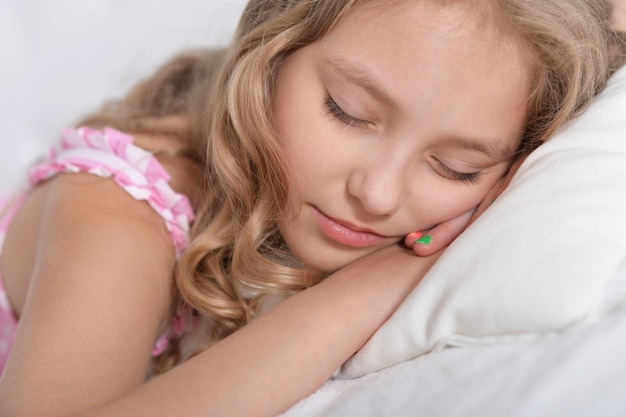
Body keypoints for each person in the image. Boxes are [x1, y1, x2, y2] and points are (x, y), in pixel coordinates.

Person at [0, 0, 624, 416]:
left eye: (455, 167)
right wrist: (376, 284)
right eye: (346, 112)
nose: (377, 195)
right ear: (270, 53)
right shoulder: (118, 203)